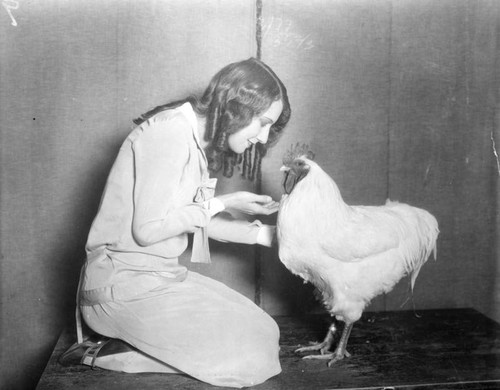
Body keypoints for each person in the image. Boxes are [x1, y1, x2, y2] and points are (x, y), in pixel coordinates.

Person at [72, 58, 291, 388]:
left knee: (266, 332)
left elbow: (202, 223)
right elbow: (148, 230)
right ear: (238, 108)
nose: (262, 138)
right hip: (120, 289)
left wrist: (270, 236)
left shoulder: (201, 144)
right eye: (262, 123)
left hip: (160, 278)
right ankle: (107, 353)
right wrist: (223, 202)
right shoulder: (169, 131)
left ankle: (149, 346)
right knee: (253, 358)